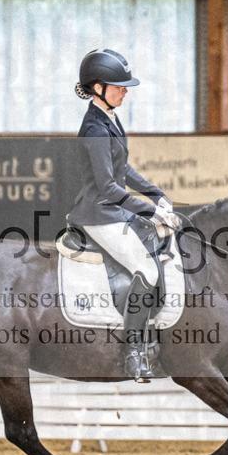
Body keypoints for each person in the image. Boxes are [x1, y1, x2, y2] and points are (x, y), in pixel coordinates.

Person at [68, 48, 179, 382]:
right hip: (99, 213)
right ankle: (132, 351)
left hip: (112, 209)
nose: (124, 91)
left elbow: (122, 168)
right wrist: (151, 210)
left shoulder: (109, 118)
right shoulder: (95, 128)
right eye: (119, 86)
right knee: (148, 270)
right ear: (98, 87)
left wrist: (155, 193)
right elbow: (108, 187)